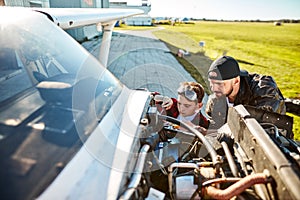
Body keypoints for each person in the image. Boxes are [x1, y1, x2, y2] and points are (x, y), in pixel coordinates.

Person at [205, 55, 286, 129]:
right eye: (211, 83)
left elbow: (263, 129)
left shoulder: (264, 90)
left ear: (236, 81)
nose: (214, 88)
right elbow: (214, 126)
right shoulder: (215, 100)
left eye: (219, 84)